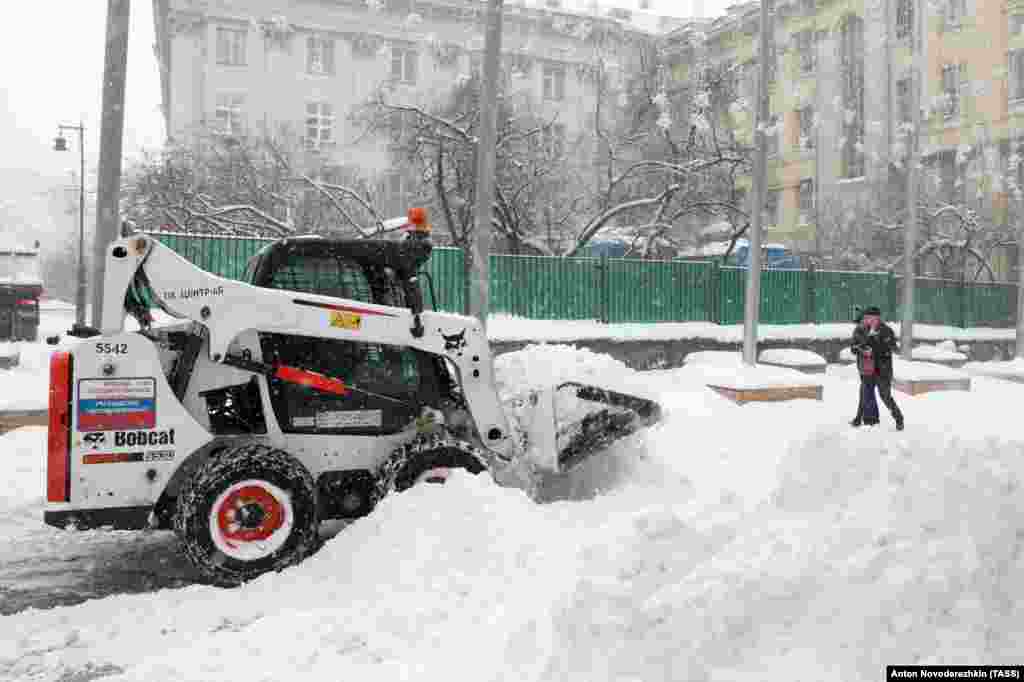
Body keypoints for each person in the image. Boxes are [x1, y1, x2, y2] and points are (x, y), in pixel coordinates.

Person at [850, 305, 904, 430]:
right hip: (867, 369)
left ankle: (899, 417)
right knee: (864, 394)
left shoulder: (886, 330)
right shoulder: (862, 330)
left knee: (885, 396)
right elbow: (854, 348)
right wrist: (863, 350)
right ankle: (859, 419)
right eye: (867, 318)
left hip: (882, 370)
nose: (869, 320)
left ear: (878, 318)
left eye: (872, 318)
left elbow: (893, 348)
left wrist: (877, 344)